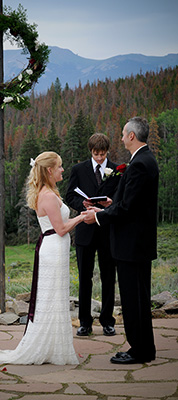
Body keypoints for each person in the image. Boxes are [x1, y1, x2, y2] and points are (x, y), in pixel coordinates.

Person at [0, 151, 86, 365]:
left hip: (55, 249)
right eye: (59, 166)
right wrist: (82, 217)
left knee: (56, 298)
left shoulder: (49, 191)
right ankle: (51, 348)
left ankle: (59, 346)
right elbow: (61, 228)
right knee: (52, 299)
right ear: (49, 170)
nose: (62, 170)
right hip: (53, 249)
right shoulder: (47, 195)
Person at [83, 117, 158, 364]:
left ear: (132, 136)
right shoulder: (145, 160)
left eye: (124, 133)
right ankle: (143, 346)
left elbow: (127, 209)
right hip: (138, 243)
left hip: (131, 245)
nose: (122, 137)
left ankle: (140, 350)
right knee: (138, 298)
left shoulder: (138, 164)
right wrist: (112, 203)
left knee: (133, 299)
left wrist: (99, 216)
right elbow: (130, 203)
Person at [66, 133, 120, 337]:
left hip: (107, 230)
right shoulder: (78, 170)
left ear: (107, 151)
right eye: (96, 154)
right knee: (84, 278)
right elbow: (70, 195)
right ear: (91, 151)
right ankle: (85, 322)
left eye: (102, 154)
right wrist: (82, 204)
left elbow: (121, 196)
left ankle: (108, 321)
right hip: (85, 231)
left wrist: (111, 202)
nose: (99, 157)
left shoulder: (116, 170)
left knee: (108, 277)